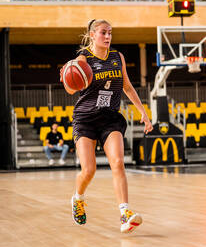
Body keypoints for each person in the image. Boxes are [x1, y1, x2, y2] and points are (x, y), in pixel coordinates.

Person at [61, 19, 153, 233]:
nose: (108, 36)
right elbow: (71, 90)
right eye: (103, 32)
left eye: (110, 32)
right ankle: (78, 198)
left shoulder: (117, 57)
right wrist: (67, 78)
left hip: (110, 118)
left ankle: (124, 213)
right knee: (89, 170)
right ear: (92, 35)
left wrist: (144, 114)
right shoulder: (83, 59)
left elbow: (127, 87)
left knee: (118, 162)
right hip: (85, 119)